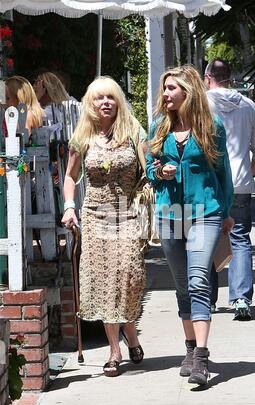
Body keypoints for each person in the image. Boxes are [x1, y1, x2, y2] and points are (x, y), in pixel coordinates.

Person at [146, 65, 234, 386]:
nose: (166, 94)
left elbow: (223, 173)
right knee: (182, 285)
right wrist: (161, 173)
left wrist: (226, 211)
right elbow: (149, 170)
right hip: (170, 215)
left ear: (188, 91)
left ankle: (201, 357)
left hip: (205, 213)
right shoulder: (157, 128)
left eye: (172, 88)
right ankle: (189, 347)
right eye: (165, 88)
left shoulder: (212, 126)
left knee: (199, 280)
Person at [62, 76, 146, 377]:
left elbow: (150, 169)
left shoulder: (133, 131)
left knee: (129, 274)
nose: (105, 102)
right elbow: (70, 177)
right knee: (105, 280)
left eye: (110, 97)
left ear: (118, 101)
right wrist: (69, 207)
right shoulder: (81, 136)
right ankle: (114, 351)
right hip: (96, 215)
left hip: (126, 214)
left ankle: (132, 334)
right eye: (99, 98)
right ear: (90, 103)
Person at [205, 58, 255, 320]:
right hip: (239, 182)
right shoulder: (249, 106)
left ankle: (205, 299)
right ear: (230, 77)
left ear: (207, 77)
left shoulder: (199, 104)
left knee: (204, 238)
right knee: (240, 237)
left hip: (207, 183)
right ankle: (241, 298)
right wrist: (247, 172)